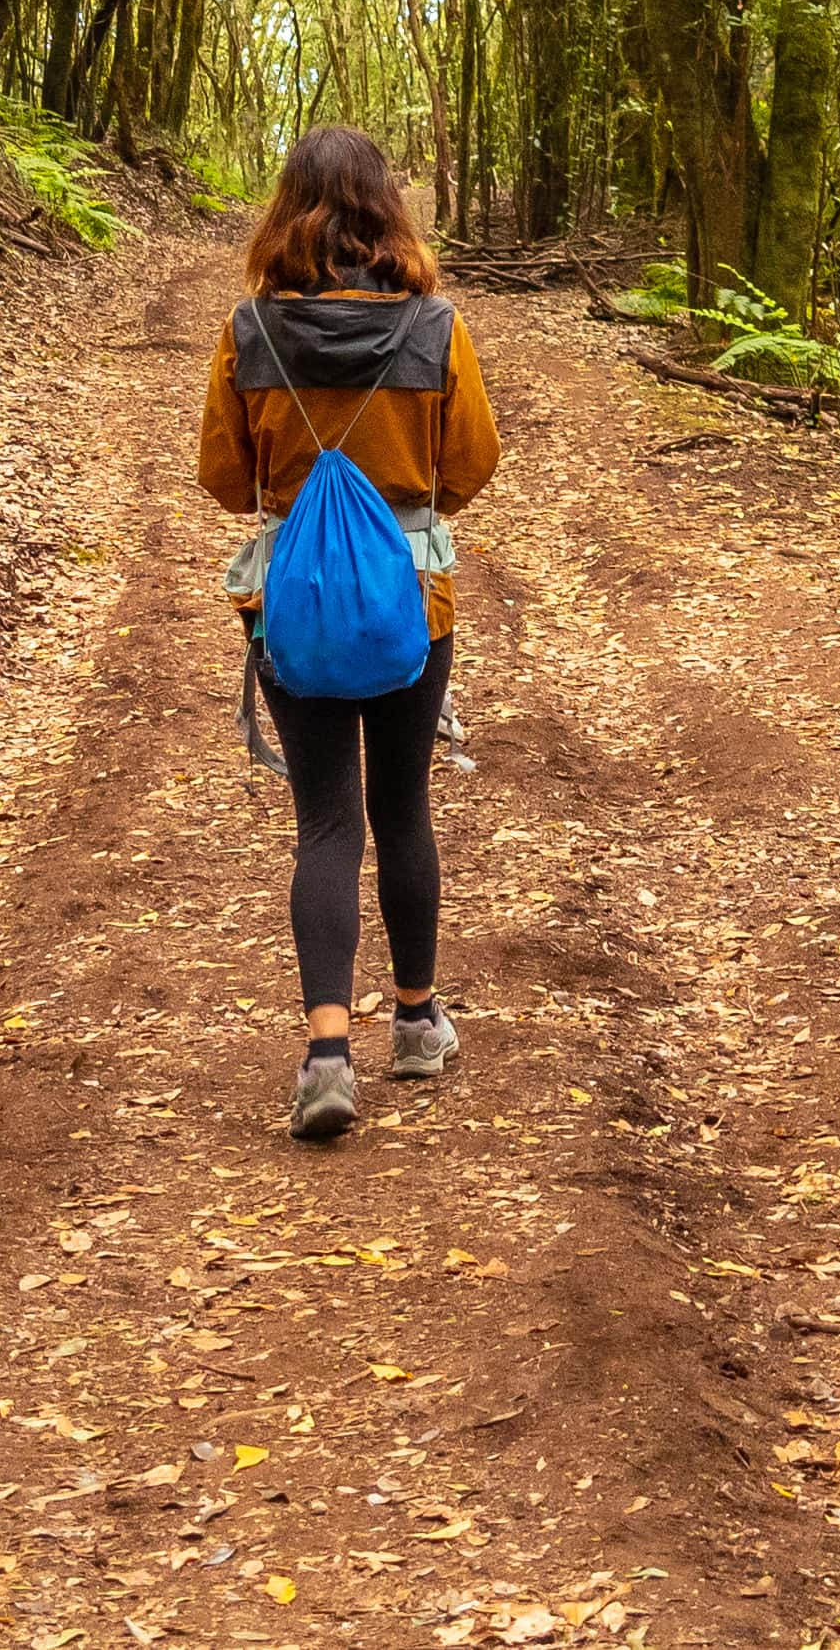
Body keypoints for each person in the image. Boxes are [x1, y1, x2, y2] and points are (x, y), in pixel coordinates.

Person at [196, 125, 499, 1142]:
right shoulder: (434, 326)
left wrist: (302, 495)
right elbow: (471, 464)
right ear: (386, 209)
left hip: (293, 606)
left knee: (326, 822)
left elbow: (224, 479)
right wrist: (402, 509)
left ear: (285, 210)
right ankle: (416, 1023)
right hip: (413, 597)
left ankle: (327, 1053)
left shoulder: (250, 332)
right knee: (402, 806)